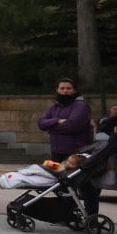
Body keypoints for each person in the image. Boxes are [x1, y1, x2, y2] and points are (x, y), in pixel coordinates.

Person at [39, 76, 97, 214]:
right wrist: (58, 121)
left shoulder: (80, 106)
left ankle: (91, 215)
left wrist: (51, 126)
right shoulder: (56, 106)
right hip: (57, 152)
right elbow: (40, 122)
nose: (65, 91)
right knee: (63, 184)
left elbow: (73, 125)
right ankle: (68, 213)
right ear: (57, 90)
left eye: (68, 88)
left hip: (75, 153)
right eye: (62, 88)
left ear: (74, 90)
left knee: (84, 184)